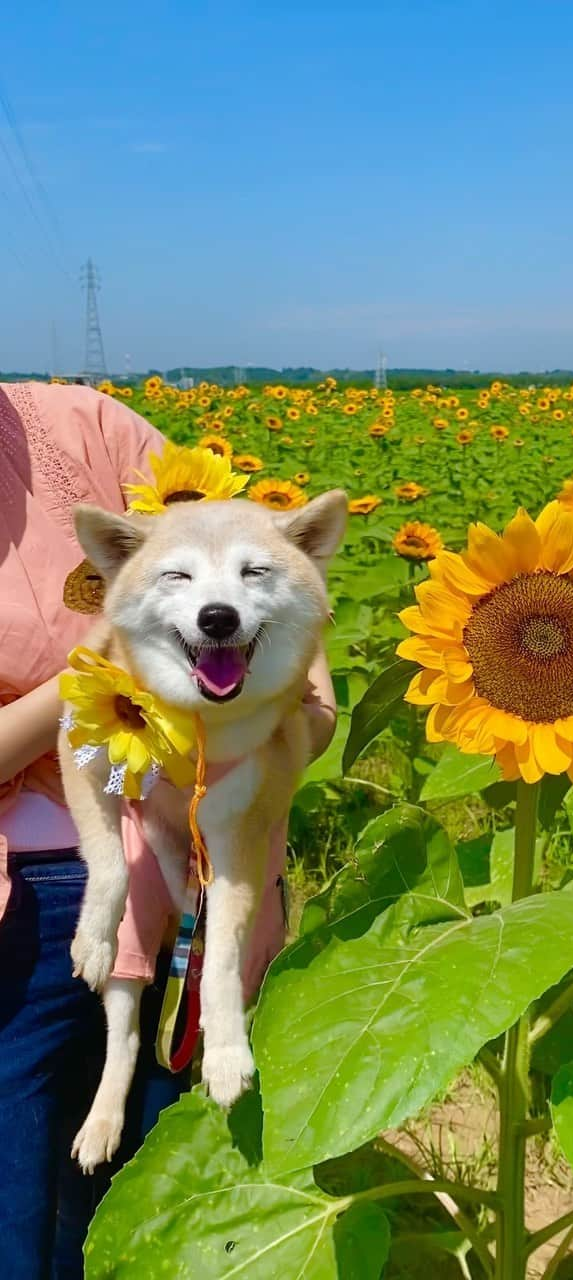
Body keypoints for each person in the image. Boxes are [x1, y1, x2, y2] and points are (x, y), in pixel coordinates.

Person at [0, 380, 337, 1280]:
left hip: (199, 862)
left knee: (152, 1185)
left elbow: (264, 565)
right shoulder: (117, 667)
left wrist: (281, 701)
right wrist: (105, 687)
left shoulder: (85, 428)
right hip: (24, 902)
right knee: (17, 1209)